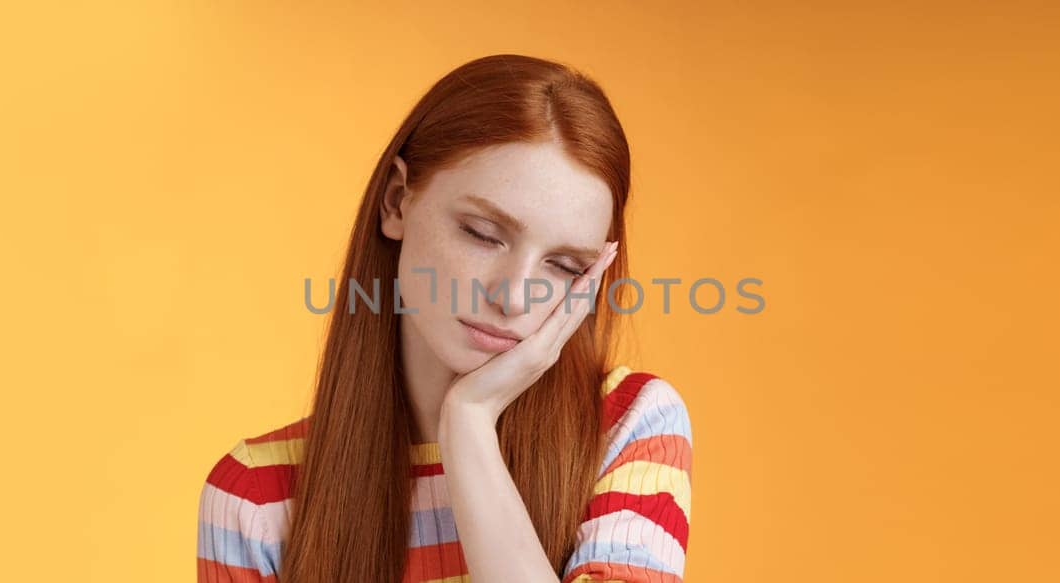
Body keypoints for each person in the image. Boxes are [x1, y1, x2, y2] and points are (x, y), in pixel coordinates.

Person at [196, 54, 693, 583]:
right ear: (396, 201)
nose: (514, 296)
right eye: (482, 233)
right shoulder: (255, 497)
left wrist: (469, 422)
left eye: (565, 265)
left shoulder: (629, 424)